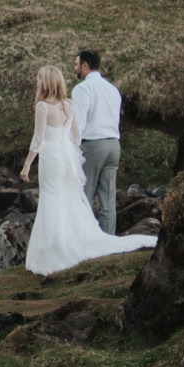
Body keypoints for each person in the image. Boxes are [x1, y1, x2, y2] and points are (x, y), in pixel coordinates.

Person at [20, 64, 155, 275]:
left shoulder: (43, 107)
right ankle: (73, 241)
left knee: (51, 199)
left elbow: (38, 139)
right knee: (68, 199)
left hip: (51, 159)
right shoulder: (68, 105)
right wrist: (70, 155)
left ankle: (54, 251)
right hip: (65, 159)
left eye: (39, 79)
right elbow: (77, 137)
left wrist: (27, 164)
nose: (37, 82)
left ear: (45, 82)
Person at [73, 49, 122, 234]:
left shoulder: (83, 88)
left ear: (85, 65)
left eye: (76, 64)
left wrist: (71, 147)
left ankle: (85, 238)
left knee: (84, 195)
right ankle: (108, 241)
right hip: (114, 144)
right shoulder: (113, 89)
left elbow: (79, 121)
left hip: (93, 145)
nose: (75, 68)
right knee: (108, 200)